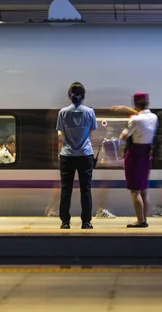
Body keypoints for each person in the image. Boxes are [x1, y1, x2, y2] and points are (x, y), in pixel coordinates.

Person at [56, 82, 98, 229]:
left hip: (67, 155)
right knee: (85, 189)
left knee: (66, 189)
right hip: (85, 155)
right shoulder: (90, 112)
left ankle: (65, 222)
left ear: (70, 95)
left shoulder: (62, 112)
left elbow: (61, 136)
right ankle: (86, 222)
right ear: (83, 96)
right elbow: (92, 134)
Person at [120, 93, 158, 228]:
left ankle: (140, 221)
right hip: (146, 154)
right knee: (144, 189)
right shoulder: (154, 117)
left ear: (135, 104)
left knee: (135, 190)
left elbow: (123, 137)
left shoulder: (134, 120)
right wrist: (126, 110)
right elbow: (142, 115)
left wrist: (129, 118)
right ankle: (144, 219)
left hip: (134, 155)